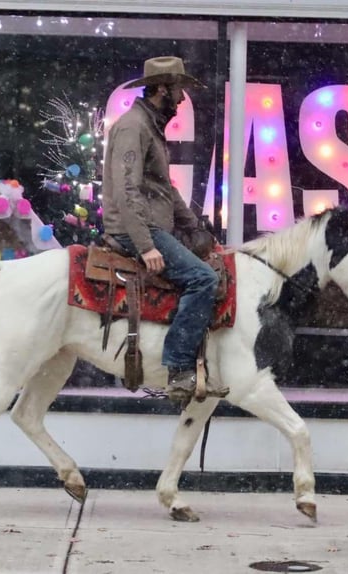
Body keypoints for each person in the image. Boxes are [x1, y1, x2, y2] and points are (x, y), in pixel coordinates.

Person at [101, 56, 227, 404]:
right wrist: (146, 245)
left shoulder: (150, 127)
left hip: (154, 225)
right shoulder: (133, 127)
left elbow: (164, 190)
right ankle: (179, 369)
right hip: (136, 230)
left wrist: (195, 226)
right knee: (204, 279)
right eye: (178, 91)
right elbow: (127, 190)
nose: (183, 100)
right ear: (160, 90)